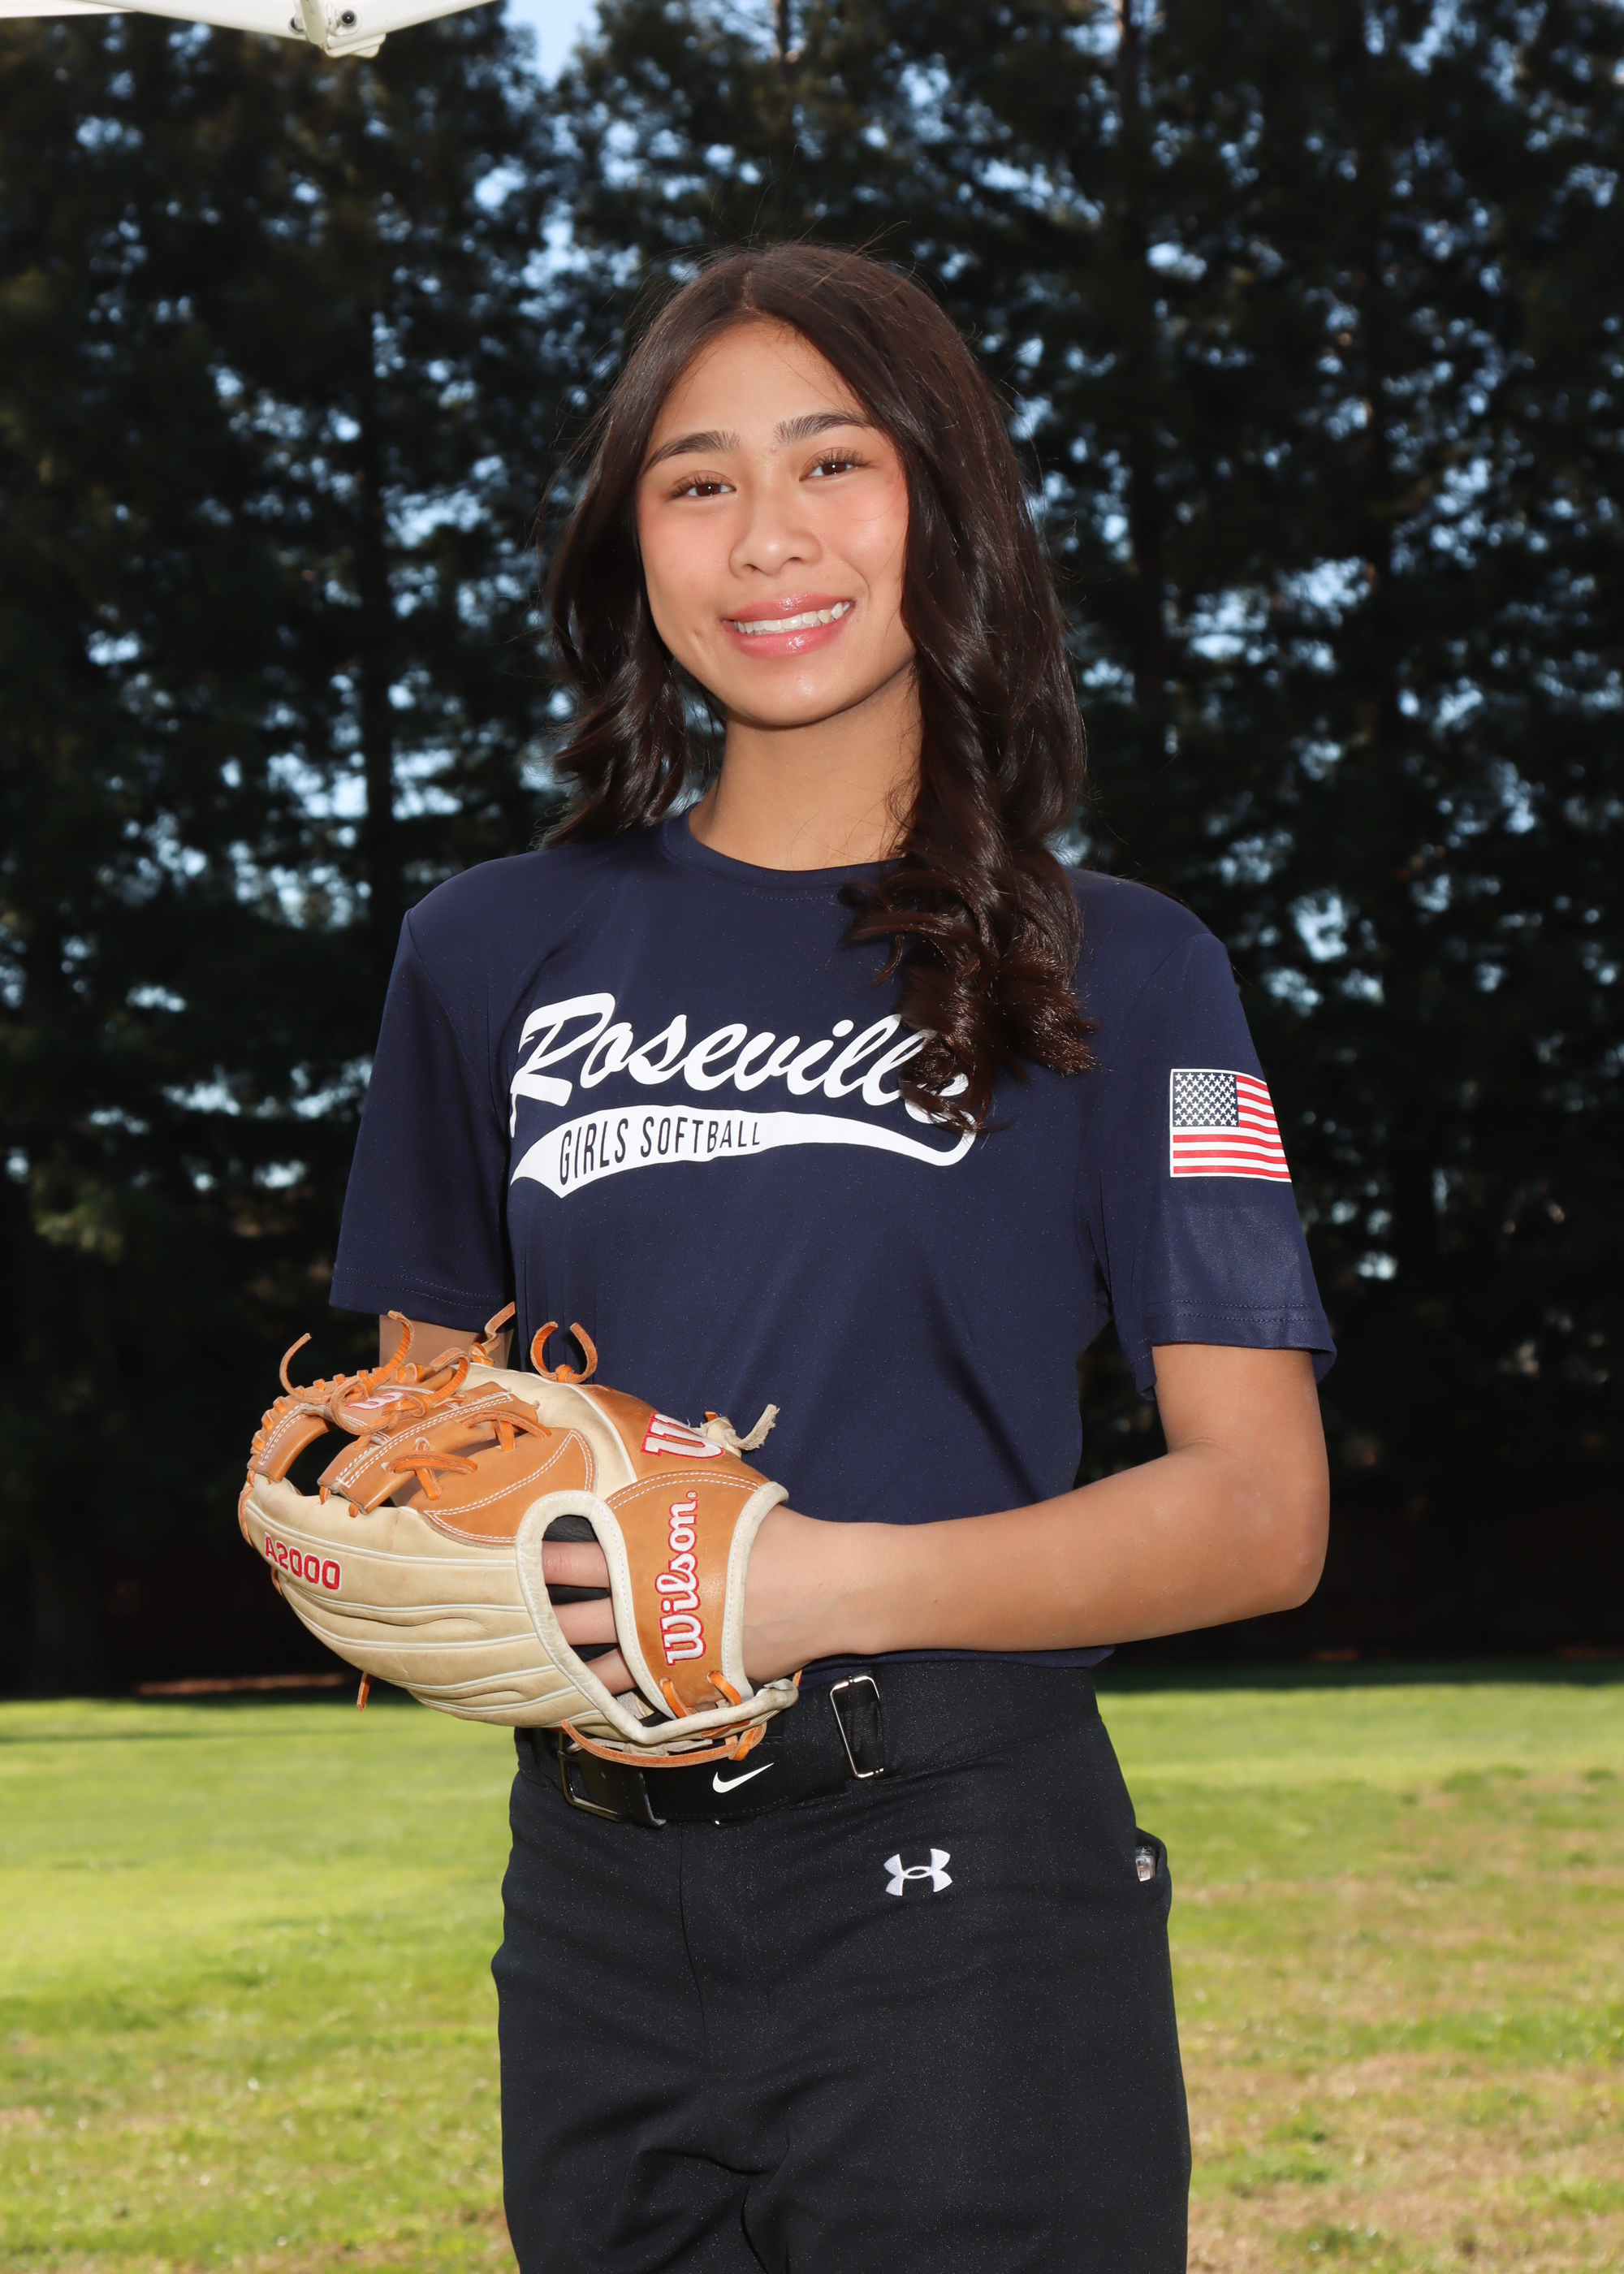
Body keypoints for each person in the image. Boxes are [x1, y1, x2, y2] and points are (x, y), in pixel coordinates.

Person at [330, 244, 1333, 2274]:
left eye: (832, 462)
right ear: (631, 541)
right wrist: (390, 1546)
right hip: (593, 1904)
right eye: (696, 481)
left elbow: (1259, 1510)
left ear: (943, 505)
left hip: (961, 1886)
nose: (766, 536)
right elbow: (430, 1441)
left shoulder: (1123, 964)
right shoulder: (484, 950)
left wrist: (796, 1580)